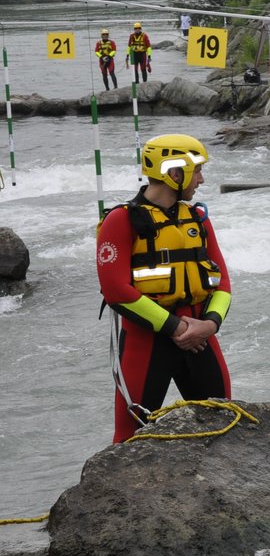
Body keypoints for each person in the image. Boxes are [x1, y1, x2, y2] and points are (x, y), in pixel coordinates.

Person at [96, 134, 233, 443]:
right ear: (174, 172)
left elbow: (222, 282)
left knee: (225, 426)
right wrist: (174, 327)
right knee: (130, 438)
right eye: (196, 170)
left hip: (200, 335)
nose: (201, 179)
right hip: (147, 340)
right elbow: (115, 290)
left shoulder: (197, 218)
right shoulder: (119, 221)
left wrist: (210, 324)